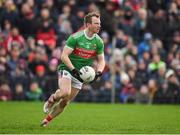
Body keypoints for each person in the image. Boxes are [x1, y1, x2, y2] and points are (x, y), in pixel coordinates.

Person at [41, 11, 105, 127]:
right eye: (96, 23)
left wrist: (99, 73)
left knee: (65, 102)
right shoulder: (75, 37)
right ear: (88, 25)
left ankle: (47, 120)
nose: (99, 26)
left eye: (99, 23)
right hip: (67, 68)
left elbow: (101, 60)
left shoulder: (99, 41)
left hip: (81, 75)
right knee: (65, 92)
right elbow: (64, 56)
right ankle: (52, 98)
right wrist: (73, 70)